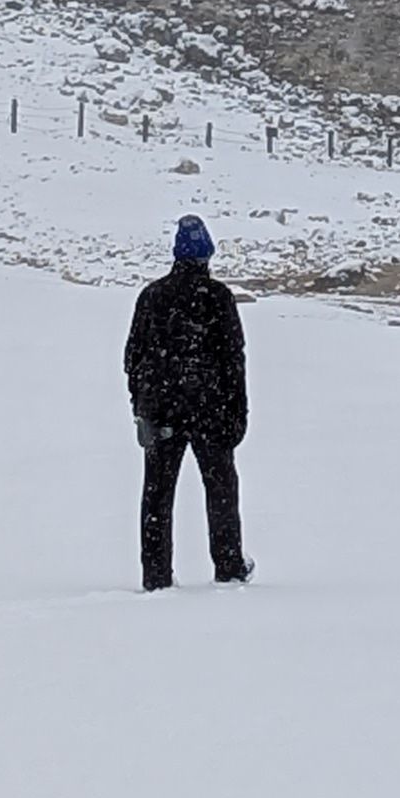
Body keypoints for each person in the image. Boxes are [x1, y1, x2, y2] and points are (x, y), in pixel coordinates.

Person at [125, 215, 251, 590]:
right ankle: (228, 567)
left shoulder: (152, 296)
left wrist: (141, 406)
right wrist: (237, 414)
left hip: (162, 412)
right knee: (222, 491)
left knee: (157, 495)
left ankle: (156, 575)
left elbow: (133, 358)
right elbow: (234, 360)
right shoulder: (218, 298)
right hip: (211, 412)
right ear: (207, 255)